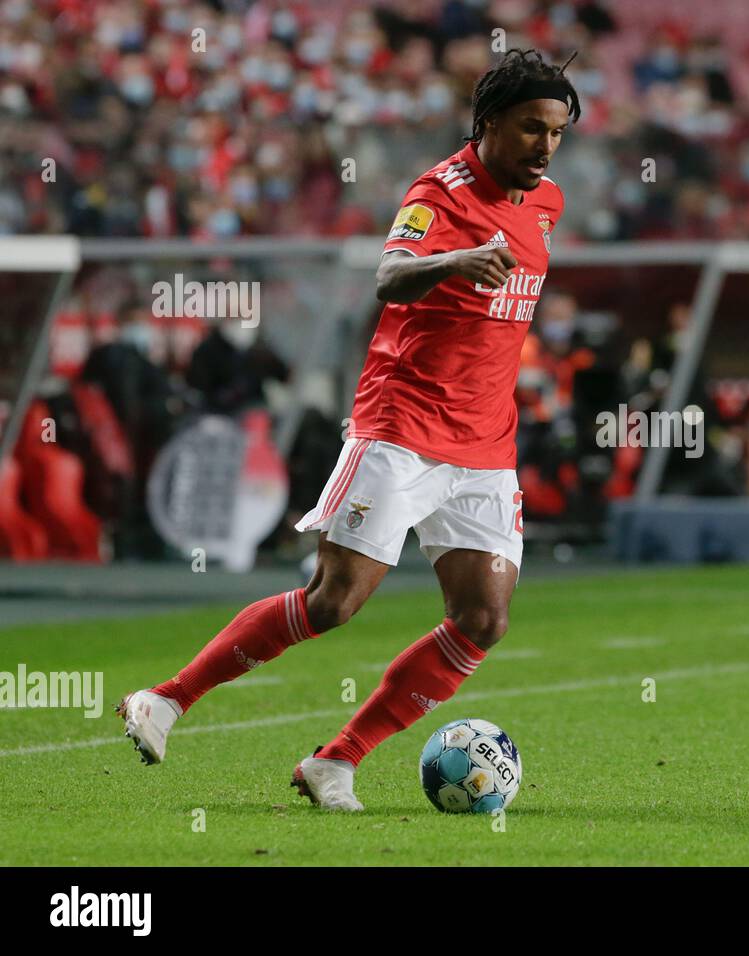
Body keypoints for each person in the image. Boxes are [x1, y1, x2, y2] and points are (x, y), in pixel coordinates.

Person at [116, 48, 581, 812]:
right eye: (532, 128)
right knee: (334, 601)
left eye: (557, 133)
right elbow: (389, 276)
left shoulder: (547, 202)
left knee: (484, 618)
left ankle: (334, 762)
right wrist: (457, 260)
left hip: (486, 444)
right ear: (490, 121)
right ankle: (164, 699)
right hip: (401, 423)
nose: (545, 146)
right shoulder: (439, 191)